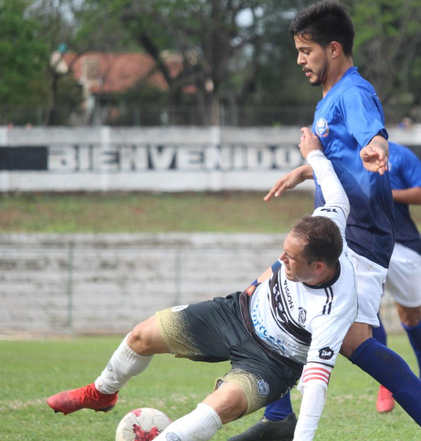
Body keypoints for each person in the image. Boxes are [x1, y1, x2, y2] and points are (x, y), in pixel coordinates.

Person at [228, 0, 421, 441]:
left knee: (276, 303)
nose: (300, 59)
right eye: (299, 51)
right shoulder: (328, 100)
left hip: (358, 235)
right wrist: (308, 168)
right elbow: (341, 156)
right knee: (349, 337)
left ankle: (281, 418)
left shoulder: (353, 93)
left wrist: (376, 145)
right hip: (344, 231)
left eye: (307, 51)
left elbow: (369, 130)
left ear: (334, 48)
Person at [47, 132, 358, 441]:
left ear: (318, 267)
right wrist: (313, 155)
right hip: (235, 314)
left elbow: (315, 387)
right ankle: (101, 393)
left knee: (218, 407)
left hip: (271, 363)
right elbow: (334, 190)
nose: (281, 260)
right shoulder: (329, 222)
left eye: (290, 259)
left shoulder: (334, 310)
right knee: (141, 336)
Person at [372, 141, 421, 414]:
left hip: (403, 244)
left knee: (411, 316)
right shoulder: (345, 149)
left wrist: (388, 192)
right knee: (366, 311)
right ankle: (387, 380)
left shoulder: (398, 155)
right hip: (366, 242)